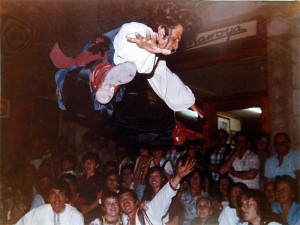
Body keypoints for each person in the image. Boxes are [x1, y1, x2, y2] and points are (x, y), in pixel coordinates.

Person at [50, 4, 204, 124]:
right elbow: (127, 35)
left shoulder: (156, 61)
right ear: (162, 30)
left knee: (103, 107)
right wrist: (145, 47)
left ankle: (107, 79)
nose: (176, 45)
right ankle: (102, 74)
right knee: (90, 77)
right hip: (87, 67)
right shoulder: (140, 30)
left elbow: (167, 80)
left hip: (93, 95)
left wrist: (189, 103)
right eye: (176, 38)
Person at [119, 158, 195, 225]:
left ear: (136, 202)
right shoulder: (124, 220)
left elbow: (165, 194)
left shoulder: (149, 210)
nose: (125, 201)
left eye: (128, 197)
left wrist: (178, 176)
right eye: (122, 199)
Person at [15, 180, 84, 225]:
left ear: (66, 198)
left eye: (60, 194)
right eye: (53, 194)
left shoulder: (75, 216)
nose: (57, 198)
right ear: (48, 198)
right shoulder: (39, 212)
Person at [205, 129, 232, 194]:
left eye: (222, 137)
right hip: (212, 183)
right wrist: (222, 166)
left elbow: (228, 169)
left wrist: (213, 168)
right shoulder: (209, 151)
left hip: (225, 183)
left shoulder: (230, 151)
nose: (220, 139)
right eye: (218, 137)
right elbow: (206, 168)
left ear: (226, 138)